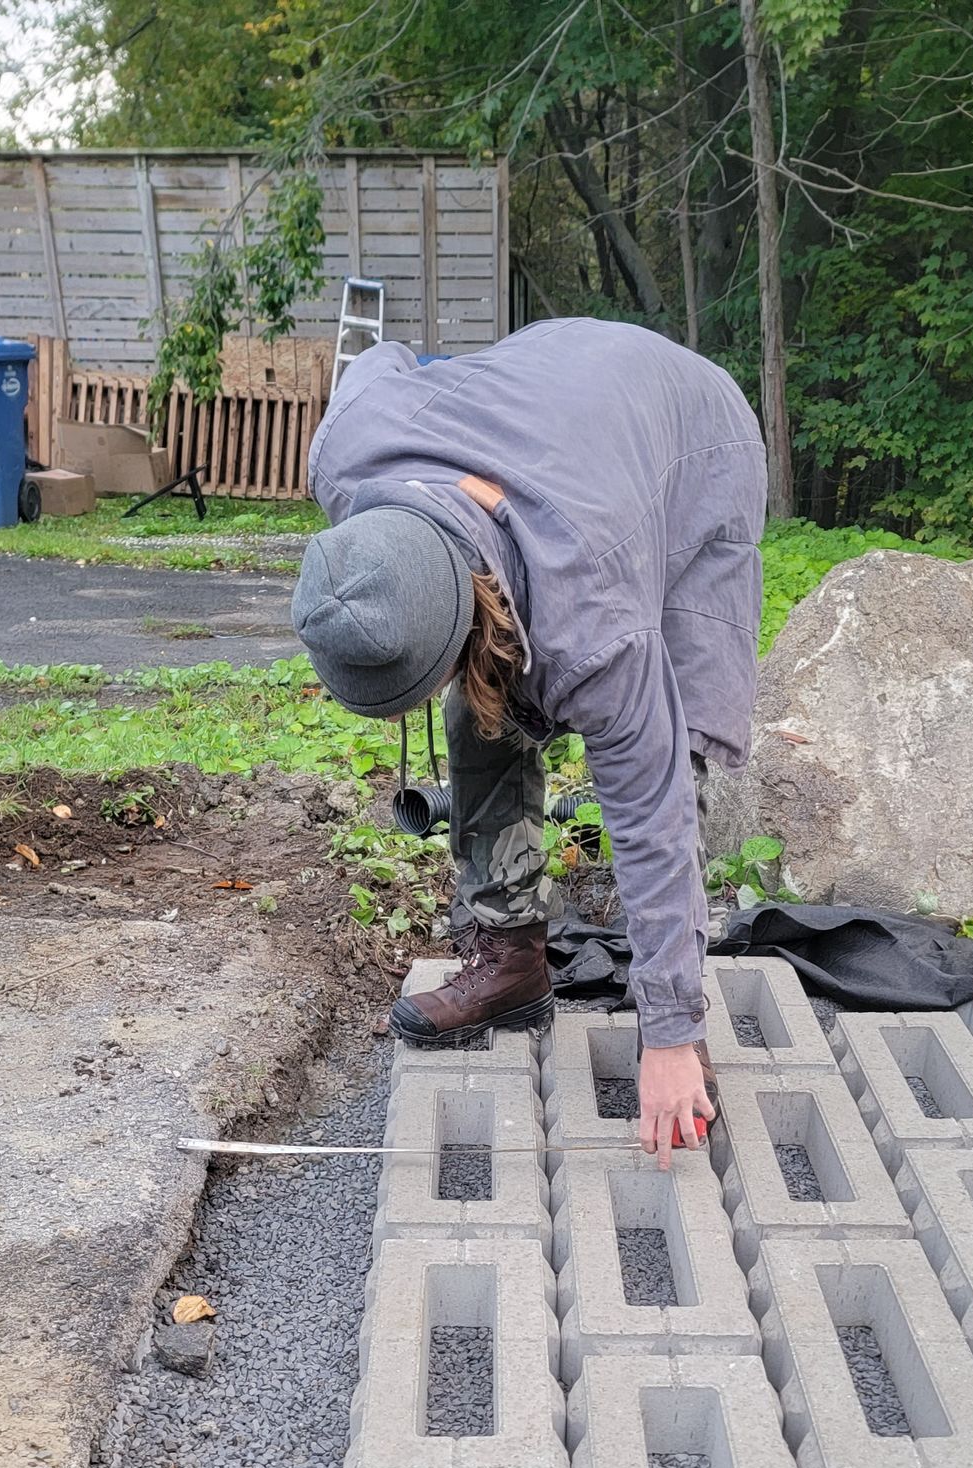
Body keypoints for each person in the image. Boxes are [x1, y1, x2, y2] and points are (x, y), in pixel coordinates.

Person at [292, 316, 767, 1163]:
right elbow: (382, 362)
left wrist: (663, 1036)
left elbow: (650, 813)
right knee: (485, 704)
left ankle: (679, 1027)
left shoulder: (596, 624)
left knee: (675, 742)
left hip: (694, 446)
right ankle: (511, 959)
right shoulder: (347, 456)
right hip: (556, 398)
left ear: (473, 604)